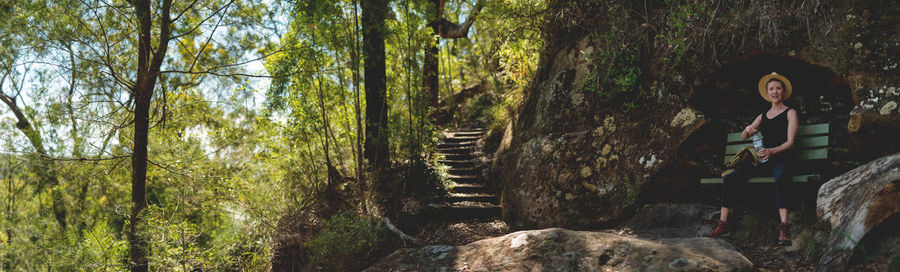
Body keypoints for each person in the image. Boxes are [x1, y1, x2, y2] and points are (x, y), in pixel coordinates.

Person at [706, 72, 799, 246]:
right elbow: (744, 136)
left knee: (780, 177)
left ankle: (784, 228)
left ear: (783, 92)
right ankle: (723, 224)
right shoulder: (762, 116)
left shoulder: (790, 113)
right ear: (767, 93)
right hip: (764, 159)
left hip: (782, 157)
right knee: (729, 178)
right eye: (771, 89)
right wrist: (748, 128)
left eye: (778, 88)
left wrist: (772, 151)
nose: (775, 92)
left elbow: (791, 142)